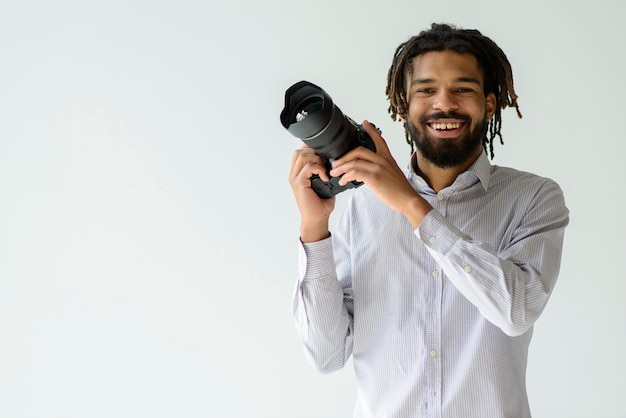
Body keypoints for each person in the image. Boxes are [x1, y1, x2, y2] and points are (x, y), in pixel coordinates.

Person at [288, 23, 569, 418]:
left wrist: (411, 205)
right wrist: (314, 230)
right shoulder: (361, 209)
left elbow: (516, 311)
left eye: (463, 89)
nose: (444, 104)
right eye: (425, 90)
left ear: (490, 104)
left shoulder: (534, 199)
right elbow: (326, 355)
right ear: (403, 104)